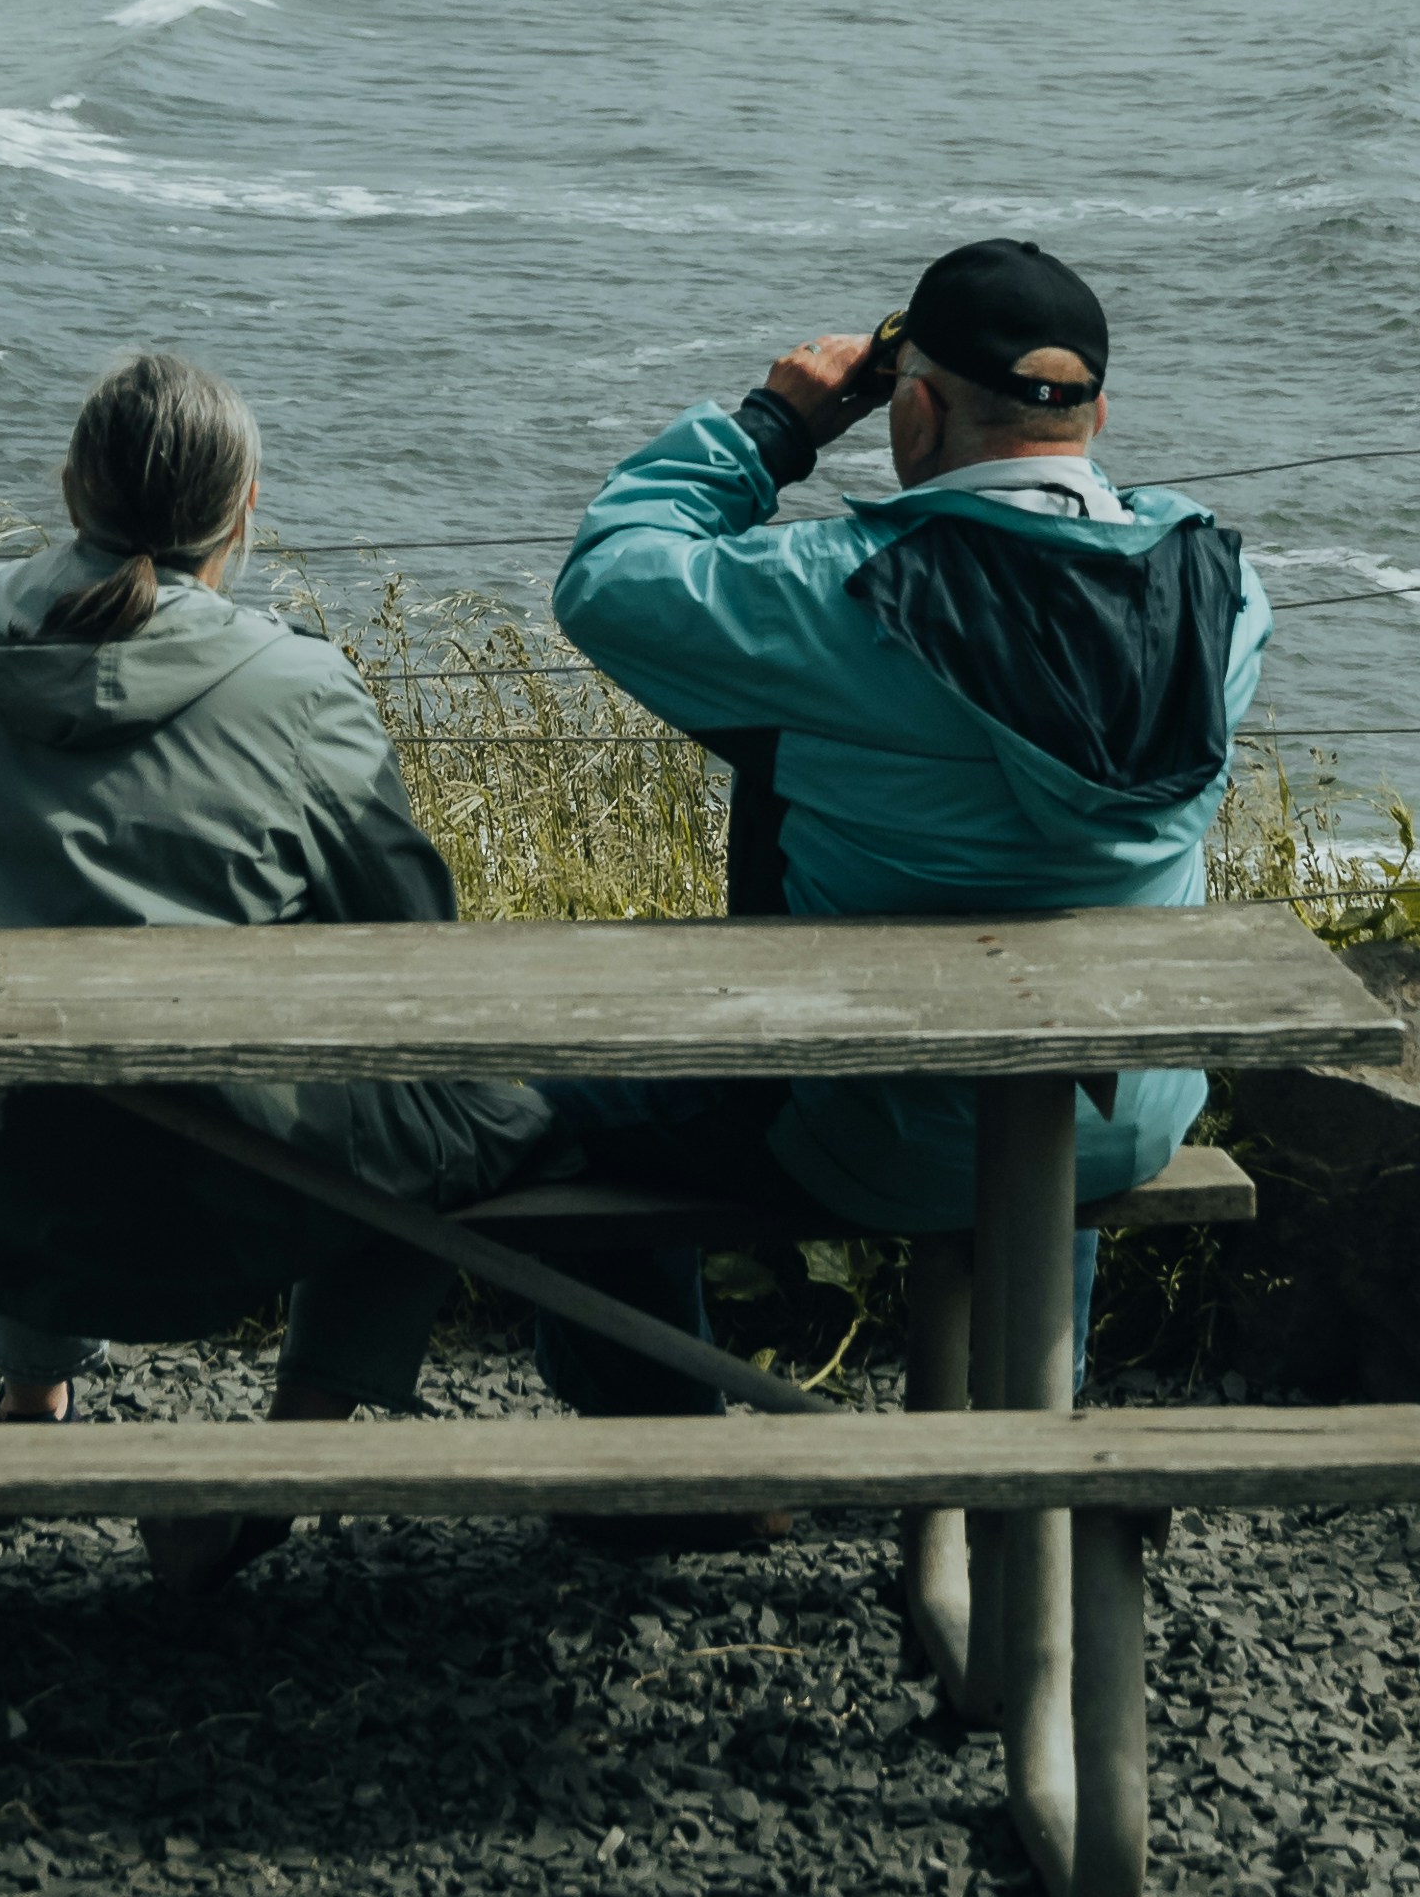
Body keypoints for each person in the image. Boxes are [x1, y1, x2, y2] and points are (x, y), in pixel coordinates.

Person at [0, 345, 547, 1585]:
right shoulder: (302, 688)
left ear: (68, 490)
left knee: (37, 1028)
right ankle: (273, 1470)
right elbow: (412, 956)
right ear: (243, 513)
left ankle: (34, 1396)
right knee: (472, 1113)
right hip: (203, 1182)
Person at [535, 238, 1261, 1412]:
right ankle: (1022, 1450)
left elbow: (610, 579)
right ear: (1099, 411)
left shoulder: (841, 593)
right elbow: (1097, 552)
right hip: (1130, 1115)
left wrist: (772, 426)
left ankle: (663, 1463)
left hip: (868, 1133)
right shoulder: (1219, 591)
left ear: (912, 409)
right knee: (1046, 1017)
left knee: (534, 1106)